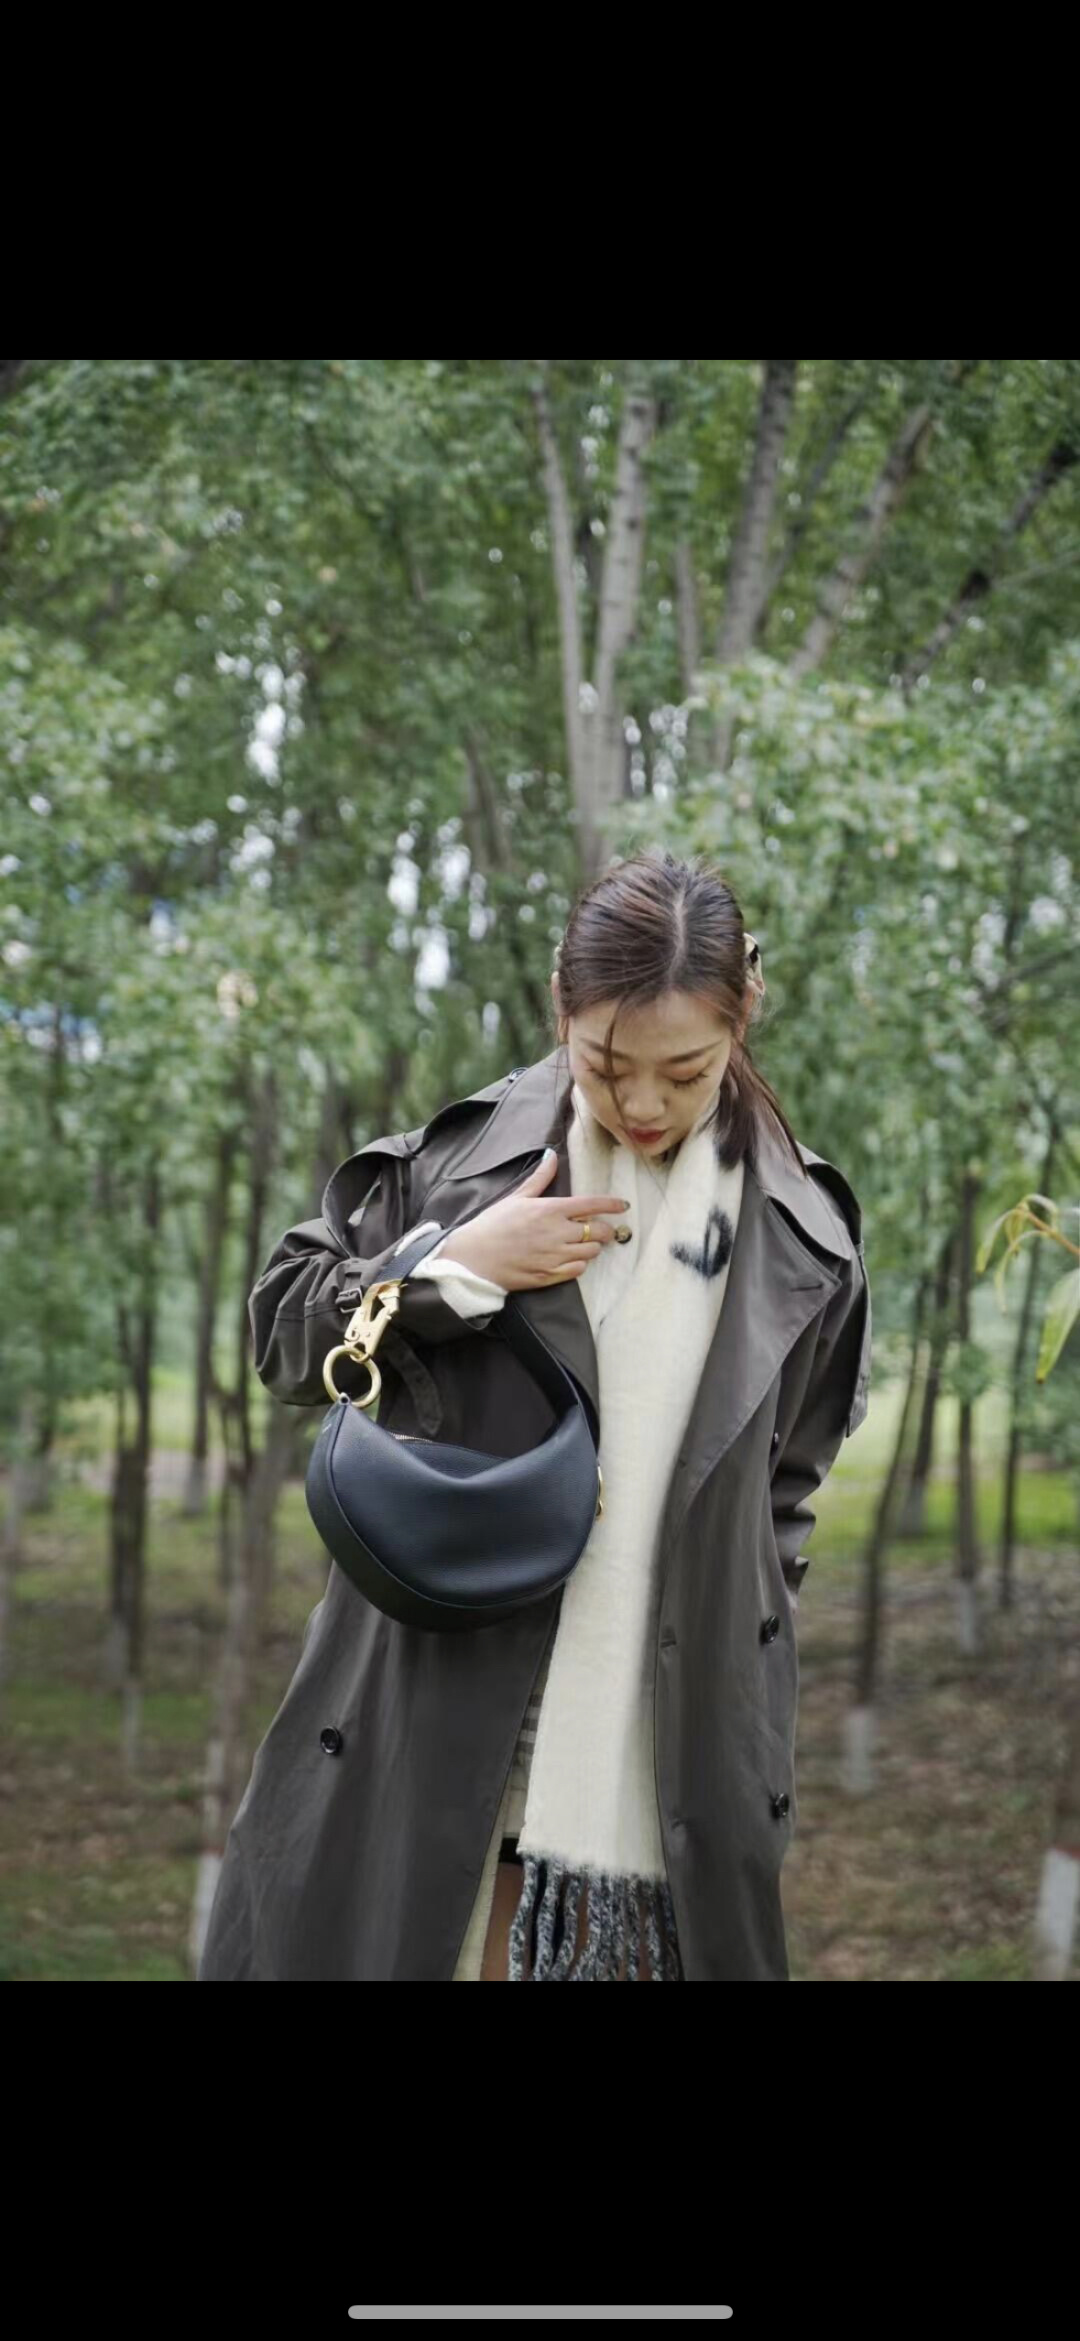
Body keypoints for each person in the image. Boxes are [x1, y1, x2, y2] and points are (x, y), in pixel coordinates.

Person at [198, 846, 870, 1983]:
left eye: (686, 1070)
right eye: (607, 1064)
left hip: (669, 1743)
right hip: (441, 1693)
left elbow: (784, 1496)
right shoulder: (466, 1164)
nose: (644, 1103)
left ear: (743, 1016)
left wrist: (738, 1641)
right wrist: (448, 1268)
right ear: (561, 1006)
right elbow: (282, 1333)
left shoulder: (804, 1230)